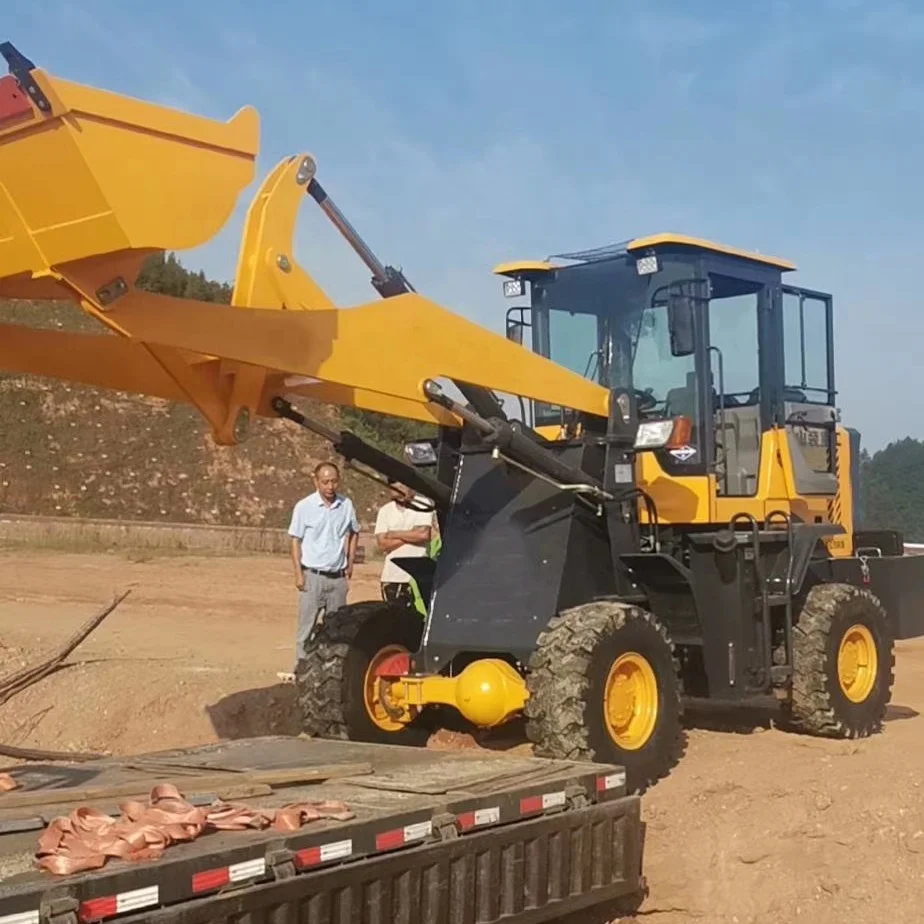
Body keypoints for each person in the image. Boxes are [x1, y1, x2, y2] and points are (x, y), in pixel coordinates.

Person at [286, 461, 360, 674]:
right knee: (306, 628)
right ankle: (302, 668)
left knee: (337, 629)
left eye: (334, 481)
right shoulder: (304, 507)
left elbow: (354, 532)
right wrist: (298, 573)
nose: (330, 487)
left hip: (337, 579)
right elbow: (295, 540)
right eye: (325, 482)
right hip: (313, 577)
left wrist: (350, 562)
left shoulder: (346, 505)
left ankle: (332, 670)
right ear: (316, 481)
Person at [374, 483, 436, 606]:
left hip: (417, 577)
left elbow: (423, 535)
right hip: (392, 577)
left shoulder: (423, 505)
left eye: (403, 485)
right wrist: (410, 535)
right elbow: (382, 544)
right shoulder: (385, 511)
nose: (401, 490)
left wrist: (394, 533)